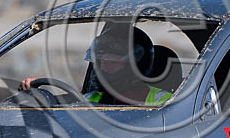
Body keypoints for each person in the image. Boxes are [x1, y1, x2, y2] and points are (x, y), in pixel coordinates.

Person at [19, 22, 173, 106]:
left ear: (135, 65)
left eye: (113, 61)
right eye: (101, 61)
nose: (105, 68)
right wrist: (37, 96)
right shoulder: (90, 98)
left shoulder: (164, 101)